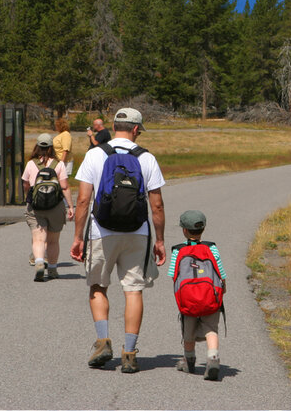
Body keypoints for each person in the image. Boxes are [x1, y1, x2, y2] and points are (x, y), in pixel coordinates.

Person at [70, 107, 167, 374]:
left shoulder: (95, 155)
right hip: (137, 232)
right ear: (136, 129)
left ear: (113, 127)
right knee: (133, 290)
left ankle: (102, 342)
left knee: (98, 286)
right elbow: (156, 206)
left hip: (101, 231)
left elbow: (82, 200)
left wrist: (78, 237)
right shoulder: (147, 158)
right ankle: (129, 353)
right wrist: (159, 240)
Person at [168, 210, 227, 381]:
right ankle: (213, 358)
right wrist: (222, 290)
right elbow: (220, 272)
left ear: (184, 230)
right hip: (210, 298)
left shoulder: (178, 251)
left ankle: (189, 360)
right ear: (203, 228)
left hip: (188, 300)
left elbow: (174, 275)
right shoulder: (211, 248)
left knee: (188, 332)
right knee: (211, 329)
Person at [22, 133, 74, 281]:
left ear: (37, 146)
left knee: (38, 238)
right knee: (53, 240)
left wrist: (29, 196)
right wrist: (70, 206)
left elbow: (26, 184)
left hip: (35, 207)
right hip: (55, 206)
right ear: (51, 147)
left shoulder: (31, 163)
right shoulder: (59, 164)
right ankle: (52, 269)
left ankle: (39, 262)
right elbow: (64, 187)